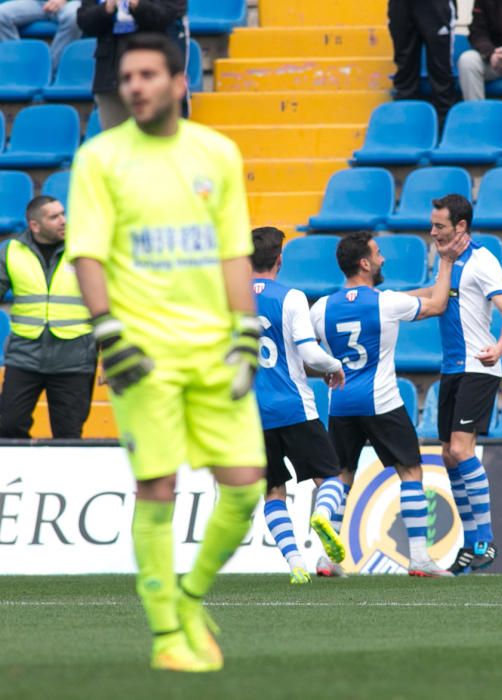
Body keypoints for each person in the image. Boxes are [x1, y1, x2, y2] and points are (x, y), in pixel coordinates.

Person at [65, 33, 266, 673]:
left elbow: (235, 250)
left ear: (180, 83)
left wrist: (245, 332)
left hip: (213, 351)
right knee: (157, 487)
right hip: (142, 354)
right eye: (128, 77)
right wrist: (108, 332)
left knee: (245, 489)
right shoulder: (99, 159)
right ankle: (164, 635)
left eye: (149, 74)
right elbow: (87, 253)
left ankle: (188, 595)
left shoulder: (218, 153)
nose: (136, 86)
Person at [310, 230, 468, 577]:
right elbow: (438, 305)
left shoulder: (321, 308)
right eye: (378, 254)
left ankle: (326, 557)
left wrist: (326, 369)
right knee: (410, 471)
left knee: (341, 476)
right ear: (365, 263)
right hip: (380, 401)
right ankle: (419, 558)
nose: (383, 259)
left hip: (340, 404)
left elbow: (308, 356)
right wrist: (445, 261)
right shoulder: (385, 303)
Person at [424, 194, 502, 575]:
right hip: (452, 369)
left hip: (478, 368)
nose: (433, 232)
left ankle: (485, 540)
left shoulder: (482, 261)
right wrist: (392, 302)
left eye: (440, 226)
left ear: (460, 226)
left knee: (463, 451)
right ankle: (469, 543)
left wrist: (498, 348)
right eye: (433, 225)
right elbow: (437, 301)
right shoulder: (446, 260)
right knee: (448, 454)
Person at [251, 226, 348, 583]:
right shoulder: (291, 297)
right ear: (279, 259)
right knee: (331, 477)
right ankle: (321, 515)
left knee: (273, 490)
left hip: (251, 414)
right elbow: (308, 352)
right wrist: (333, 367)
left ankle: (294, 562)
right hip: (294, 406)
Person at [0, 196, 96, 439]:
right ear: (35, 225)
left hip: (74, 358)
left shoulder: (84, 248)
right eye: (54, 217)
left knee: (68, 435)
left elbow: (108, 297)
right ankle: (20, 477)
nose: (63, 221)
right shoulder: (11, 251)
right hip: (25, 356)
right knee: (8, 425)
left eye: (63, 214)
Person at [77, 0, 186, 130]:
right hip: (109, 75)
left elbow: (168, 15)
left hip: (152, 68)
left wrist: (138, 5)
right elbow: (84, 21)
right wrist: (107, 8)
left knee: (157, 141)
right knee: (116, 145)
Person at [388, 0, 456, 125]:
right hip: (401, 5)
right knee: (405, 71)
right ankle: (407, 127)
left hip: (436, 6)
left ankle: (445, 129)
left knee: (441, 72)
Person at [0, 0, 82, 74]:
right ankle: (19, 68)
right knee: (1, 14)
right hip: (37, 3)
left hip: (69, 3)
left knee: (74, 17)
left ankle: (51, 72)